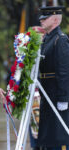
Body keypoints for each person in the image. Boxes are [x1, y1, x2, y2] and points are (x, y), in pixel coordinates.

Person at [38, 6, 69, 150]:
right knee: (46, 135)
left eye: (46, 17)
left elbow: (64, 71)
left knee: (57, 137)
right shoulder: (47, 39)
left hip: (56, 94)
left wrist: (63, 98)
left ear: (56, 19)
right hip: (46, 92)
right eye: (42, 17)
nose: (42, 20)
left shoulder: (60, 40)